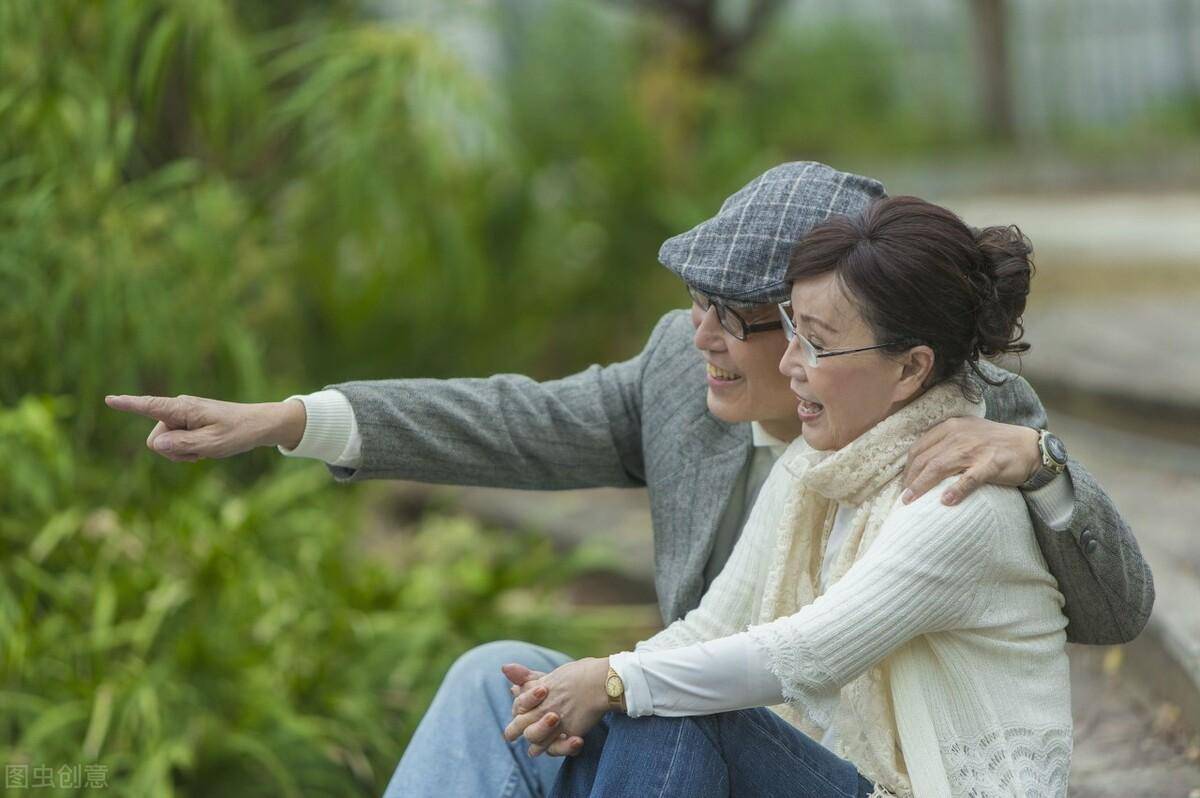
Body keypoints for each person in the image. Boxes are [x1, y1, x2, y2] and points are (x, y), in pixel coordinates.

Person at [103, 162, 1152, 798]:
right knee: (496, 678)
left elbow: (1114, 610)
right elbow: (514, 420)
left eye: (747, 318)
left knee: (652, 707)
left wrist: (1051, 468)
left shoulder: (970, 435)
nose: (702, 337)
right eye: (694, 301)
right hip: (722, 737)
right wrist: (294, 418)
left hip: (802, 749)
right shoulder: (700, 389)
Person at [507, 194, 1073, 797]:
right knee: (593, 699)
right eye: (791, 330)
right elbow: (713, 627)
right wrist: (569, 693)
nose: (789, 364)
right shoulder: (813, 468)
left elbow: (806, 654)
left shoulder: (959, 502)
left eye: (818, 343)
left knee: (669, 709)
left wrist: (614, 681)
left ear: (911, 368)